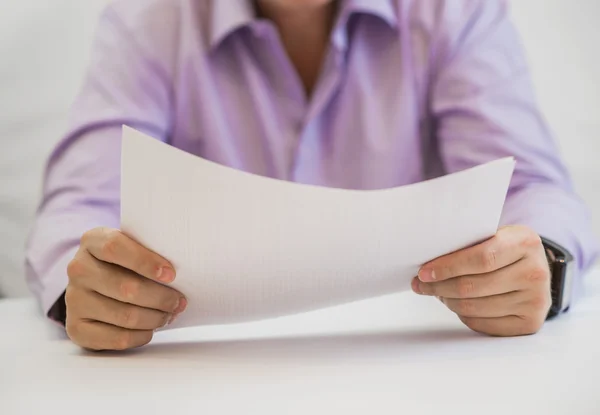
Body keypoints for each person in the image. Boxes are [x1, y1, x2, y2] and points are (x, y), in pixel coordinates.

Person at [25, 0, 598, 351]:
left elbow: (535, 188)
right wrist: (88, 292)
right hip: (200, 370)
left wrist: (541, 264)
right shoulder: (149, 19)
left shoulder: (452, 10)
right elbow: (78, 205)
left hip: (405, 360)